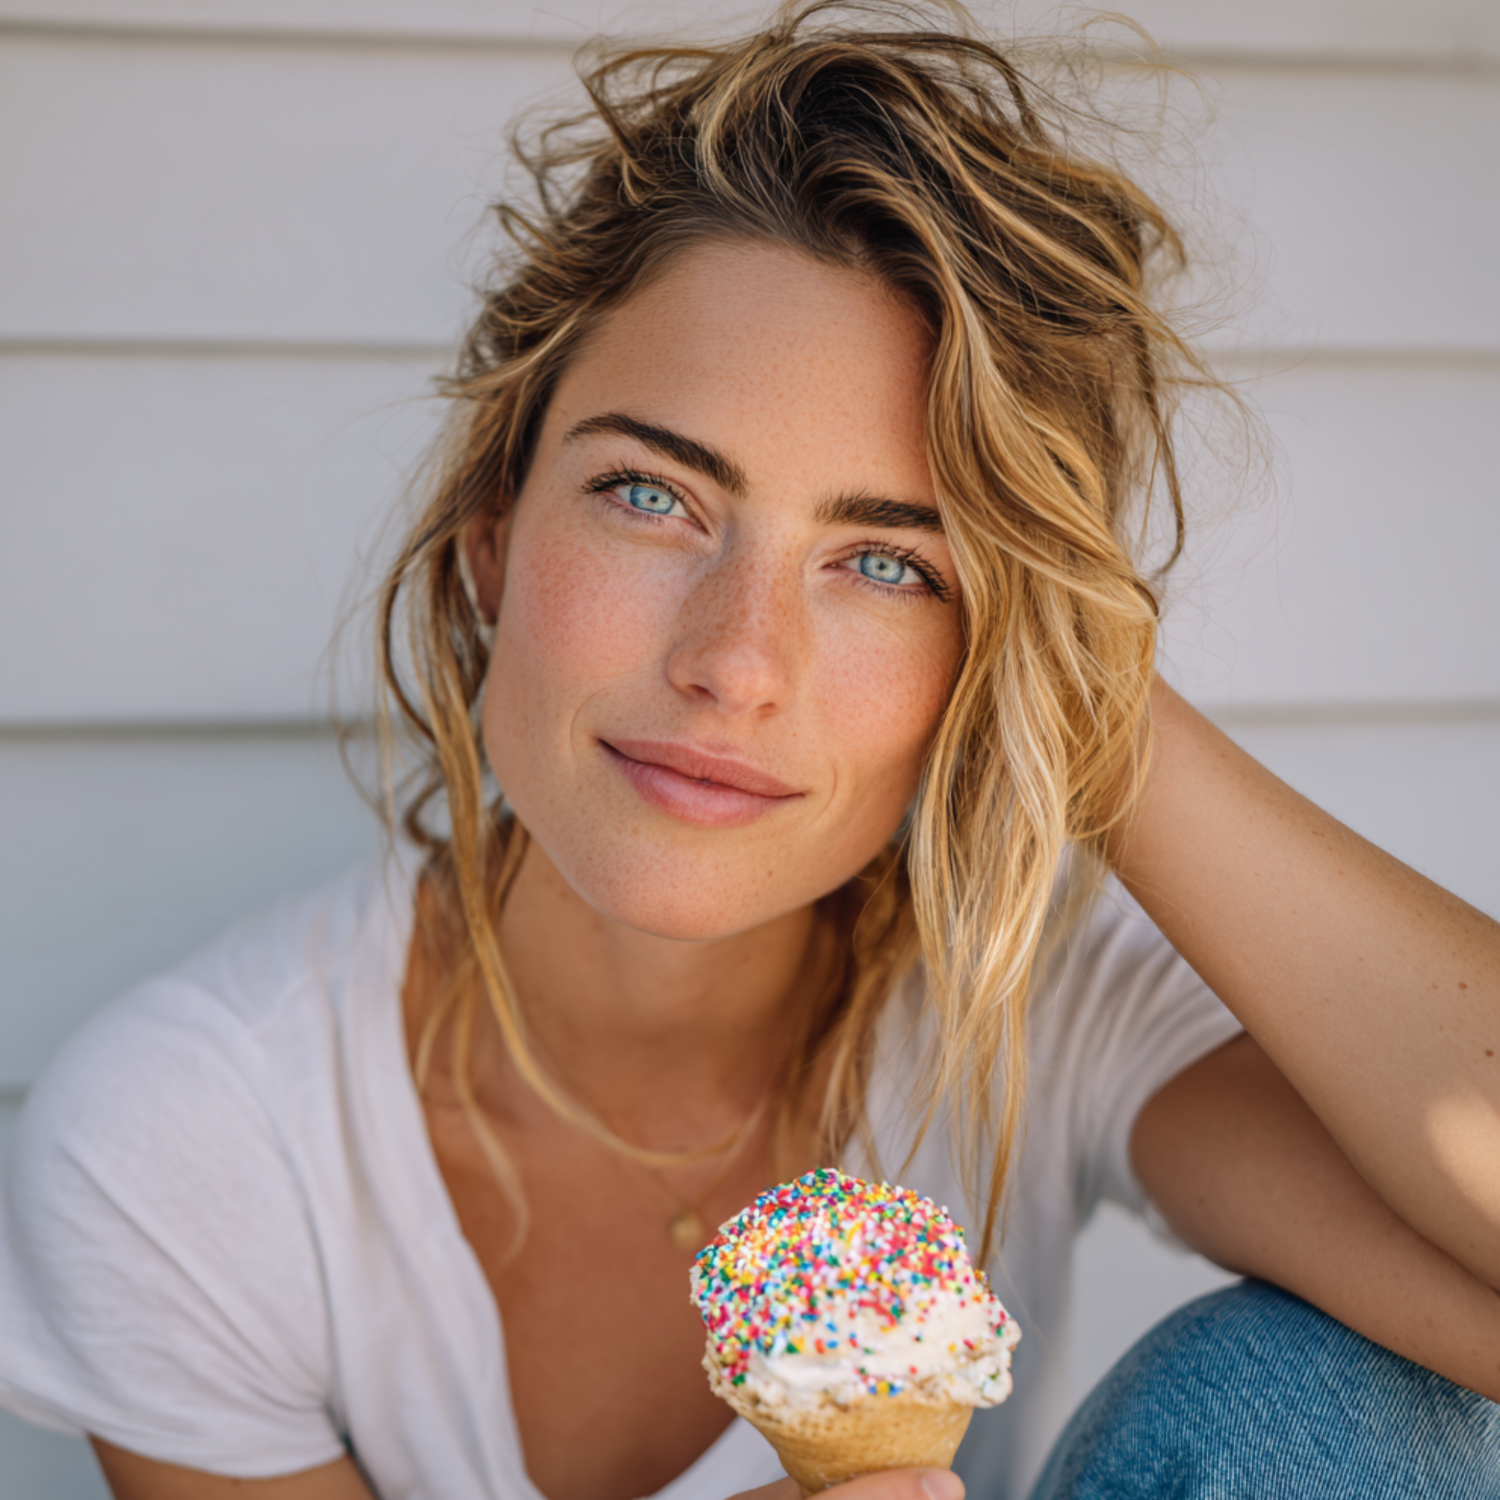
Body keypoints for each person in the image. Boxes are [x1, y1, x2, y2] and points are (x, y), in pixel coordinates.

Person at [2, 5, 1498, 1498]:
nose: (734, 663)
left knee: (1308, 1399)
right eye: (653, 497)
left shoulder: (1040, 998)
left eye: (892, 565)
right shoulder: (189, 1148)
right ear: (489, 543)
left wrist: (1092, 706)